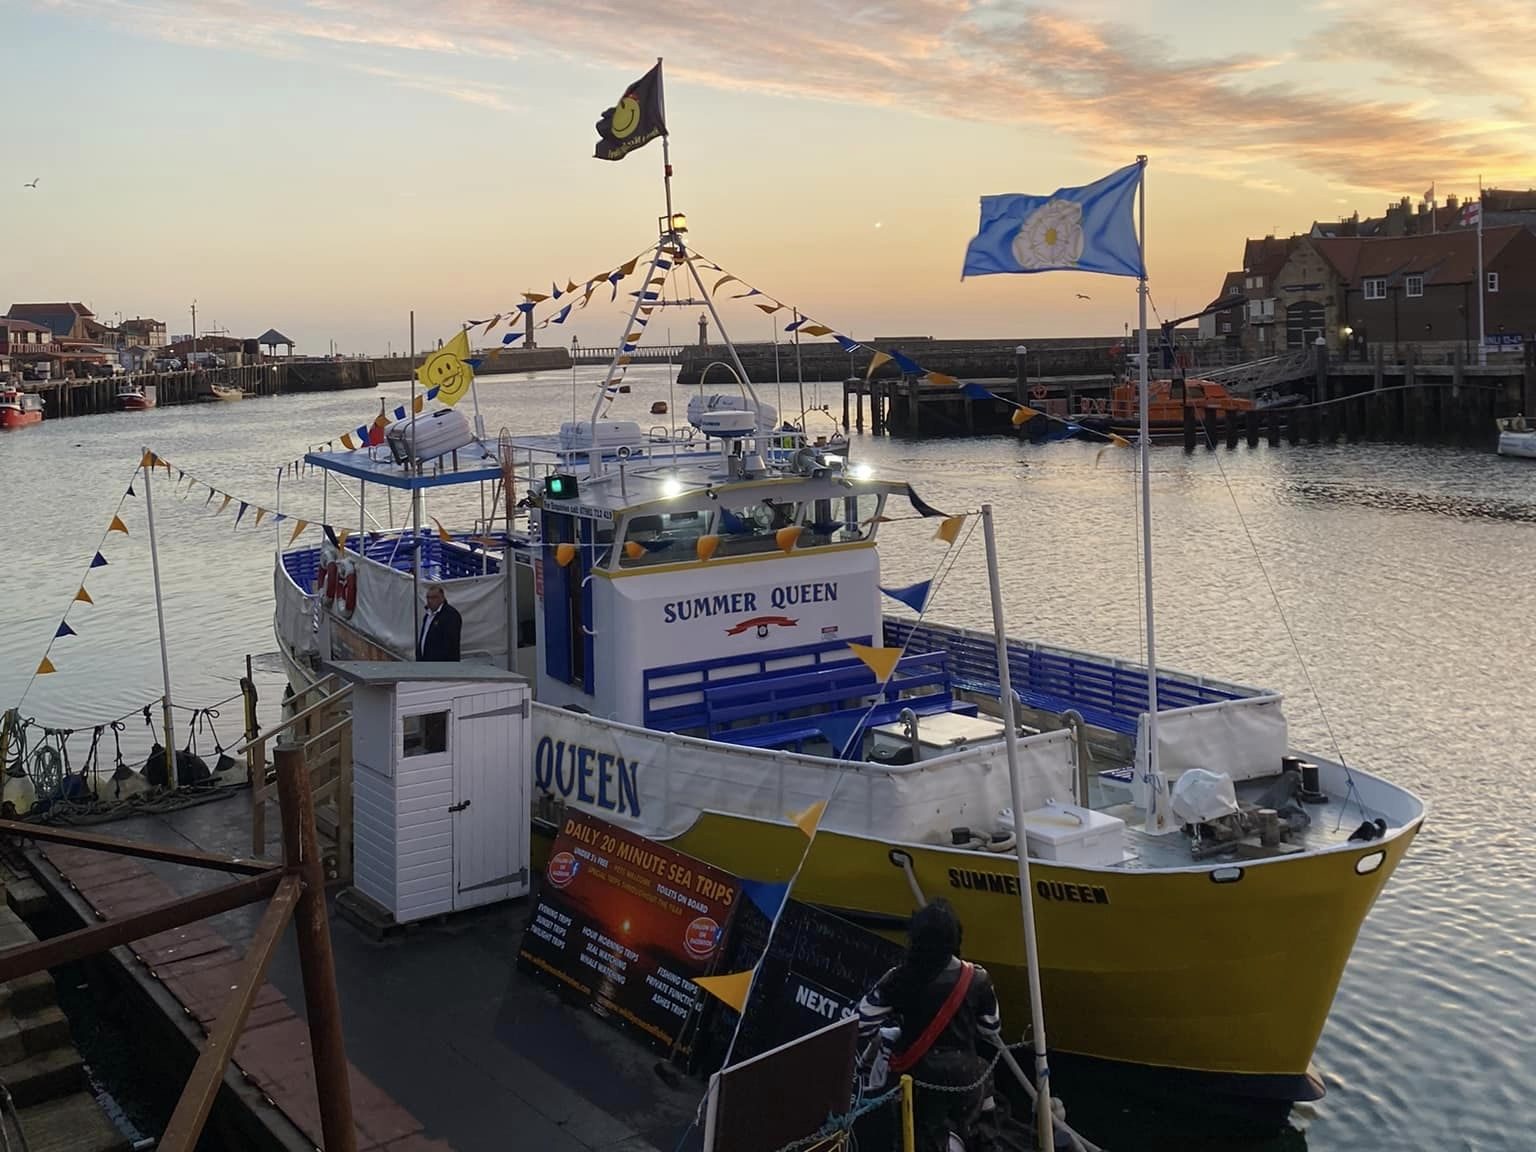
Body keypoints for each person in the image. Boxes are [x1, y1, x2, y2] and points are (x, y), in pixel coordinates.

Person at [855, 899, 1003, 1152]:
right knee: (980, 1122)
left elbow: (861, 1023)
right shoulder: (977, 978)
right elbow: (991, 1029)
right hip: (966, 1075)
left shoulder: (900, 978)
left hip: (917, 1076)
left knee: (919, 1138)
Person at [417, 584, 462, 662]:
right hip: (425, 662)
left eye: (434, 597)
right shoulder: (428, 615)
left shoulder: (451, 615)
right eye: (428, 597)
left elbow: (449, 644)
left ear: (442, 598)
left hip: (442, 665)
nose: (430, 600)